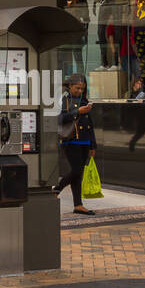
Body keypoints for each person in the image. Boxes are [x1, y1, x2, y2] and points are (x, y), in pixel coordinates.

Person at [53, 73, 97, 215]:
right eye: (77, 88)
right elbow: (59, 119)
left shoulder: (84, 100)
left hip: (85, 140)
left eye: (82, 88)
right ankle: (57, 188)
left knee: (79, 174)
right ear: (70, 86)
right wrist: (77, 111)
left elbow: (89, 123)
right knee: (77, 170)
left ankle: (78, 205)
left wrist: (92, 145)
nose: (79, 91)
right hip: (70, 140)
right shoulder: (64, 99)